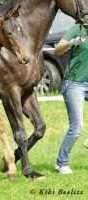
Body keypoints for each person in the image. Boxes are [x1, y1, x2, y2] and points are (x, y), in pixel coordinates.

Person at [54, 23, 88, 174]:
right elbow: (57, 49)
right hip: (75, 83)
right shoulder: (78, 29)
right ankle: (61, 163)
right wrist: (71, 43)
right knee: (76, 127)